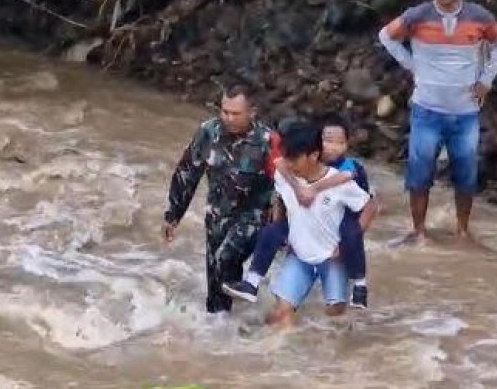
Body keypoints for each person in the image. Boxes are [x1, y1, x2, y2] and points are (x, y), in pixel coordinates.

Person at [377, 0, 497, 245]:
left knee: (466, 173)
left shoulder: (479, 17)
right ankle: (419, 231)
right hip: (426, 110)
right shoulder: (418, 15)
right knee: (419, 172)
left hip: (465, 112)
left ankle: (463, 231)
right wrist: (411, 64)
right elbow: (386, 36)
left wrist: (486, 80)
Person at [223, 113, 378, 308]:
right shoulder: (292, 165)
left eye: (340, 143)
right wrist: (291, 202)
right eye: (327, 141)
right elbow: (280, 168)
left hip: (341, 223)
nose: (332, 148)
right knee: (272, 231)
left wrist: (314, 189)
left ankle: (359, 285)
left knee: (349, 235)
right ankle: (252, 282)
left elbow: (357, 190)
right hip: (304, 237)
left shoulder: (347, 170)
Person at [162, 84, 280, 313]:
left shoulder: (267, 141)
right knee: (216, 289)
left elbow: (286, 182)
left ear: (252, 112)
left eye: (235, 113)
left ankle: (250, 294)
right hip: (217, 218)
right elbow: (187, 173)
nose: (228, 118)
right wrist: (173, 215)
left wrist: (284, 225)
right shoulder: (208, 132)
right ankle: (224, 333)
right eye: (224, 111)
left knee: (225, 258)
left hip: (253, 217)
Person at [265, 121, 374, 327]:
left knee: (334, 318)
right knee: (280, 313)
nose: (287, 164)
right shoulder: (284, 175)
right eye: (286, 158)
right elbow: (279, 199)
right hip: (299, 255)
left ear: (313, 156)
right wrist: (282, 233)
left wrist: (349, 243)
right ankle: (275, 352)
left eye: (293, 159)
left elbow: (370, 206)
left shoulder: (340, 182)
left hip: (332, 258)